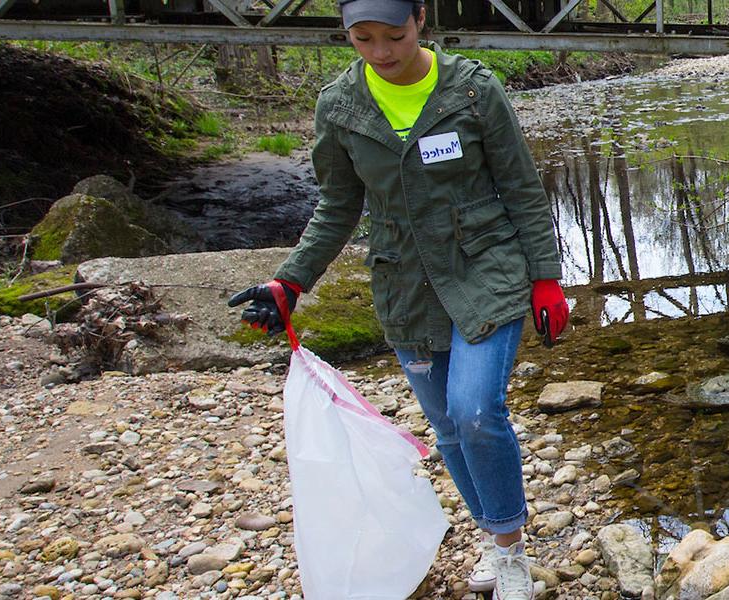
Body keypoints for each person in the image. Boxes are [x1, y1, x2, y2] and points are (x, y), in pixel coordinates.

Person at [225, 0, 570, 597]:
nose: (382, 53)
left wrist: (545, 275)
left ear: (420, 22)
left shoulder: (472, 92)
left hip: (486, 267)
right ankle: (494, 538)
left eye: (394, 35)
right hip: (405, 284)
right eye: (364, 39)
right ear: (348, 36)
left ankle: (510, 553)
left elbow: (520, 186)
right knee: (446, 427)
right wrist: (291, 281)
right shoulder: (340, 106)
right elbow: (337, 206)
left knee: (476, 411)